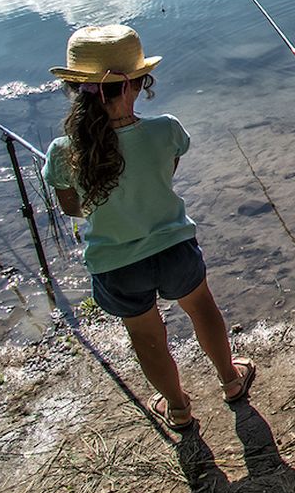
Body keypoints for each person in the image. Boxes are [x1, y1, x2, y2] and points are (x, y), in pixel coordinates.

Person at [42, 25, 255, 432]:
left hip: (116, 264)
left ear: (74, 88)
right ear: (139, 84)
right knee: (202, 309)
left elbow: (72, 208)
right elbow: (166, 174)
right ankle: (230, 379)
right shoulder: (166, 130)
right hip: (174, 247)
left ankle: (177, 407)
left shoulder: (63, 152)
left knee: (145, 336)